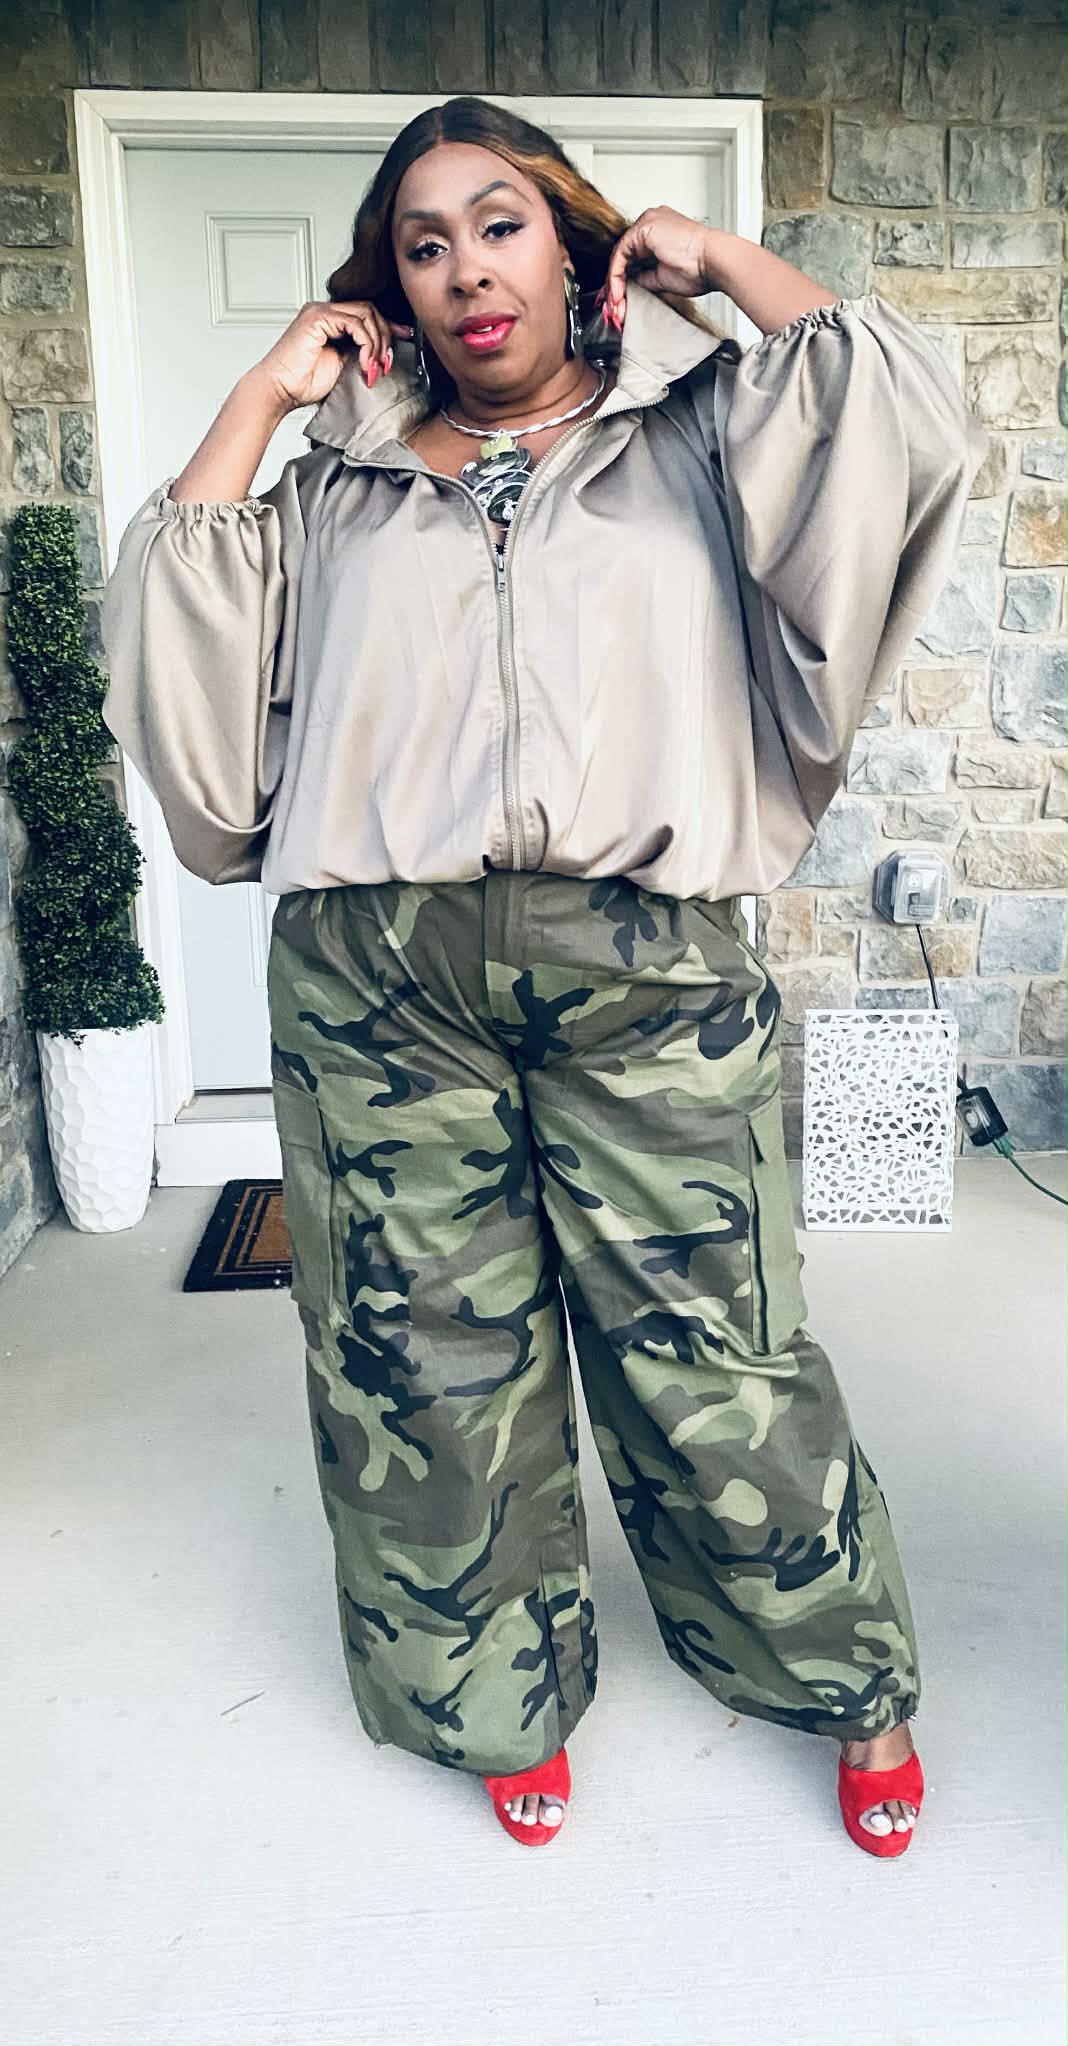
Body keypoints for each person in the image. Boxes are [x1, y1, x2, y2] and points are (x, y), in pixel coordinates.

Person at [99, 94, 988, 1858]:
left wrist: (720, 264)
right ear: (392, 290)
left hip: (648, 957)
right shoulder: (332, 488)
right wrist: (263, 398)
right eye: (422, 244)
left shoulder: (700, 433)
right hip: (381, 982)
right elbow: (179, 661)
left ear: (569, 245)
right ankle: (496, 1692)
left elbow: (891, 415)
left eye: (498, 223)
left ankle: (844, 1679)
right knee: (422, 1362)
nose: (464, 269)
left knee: (718, 1350)